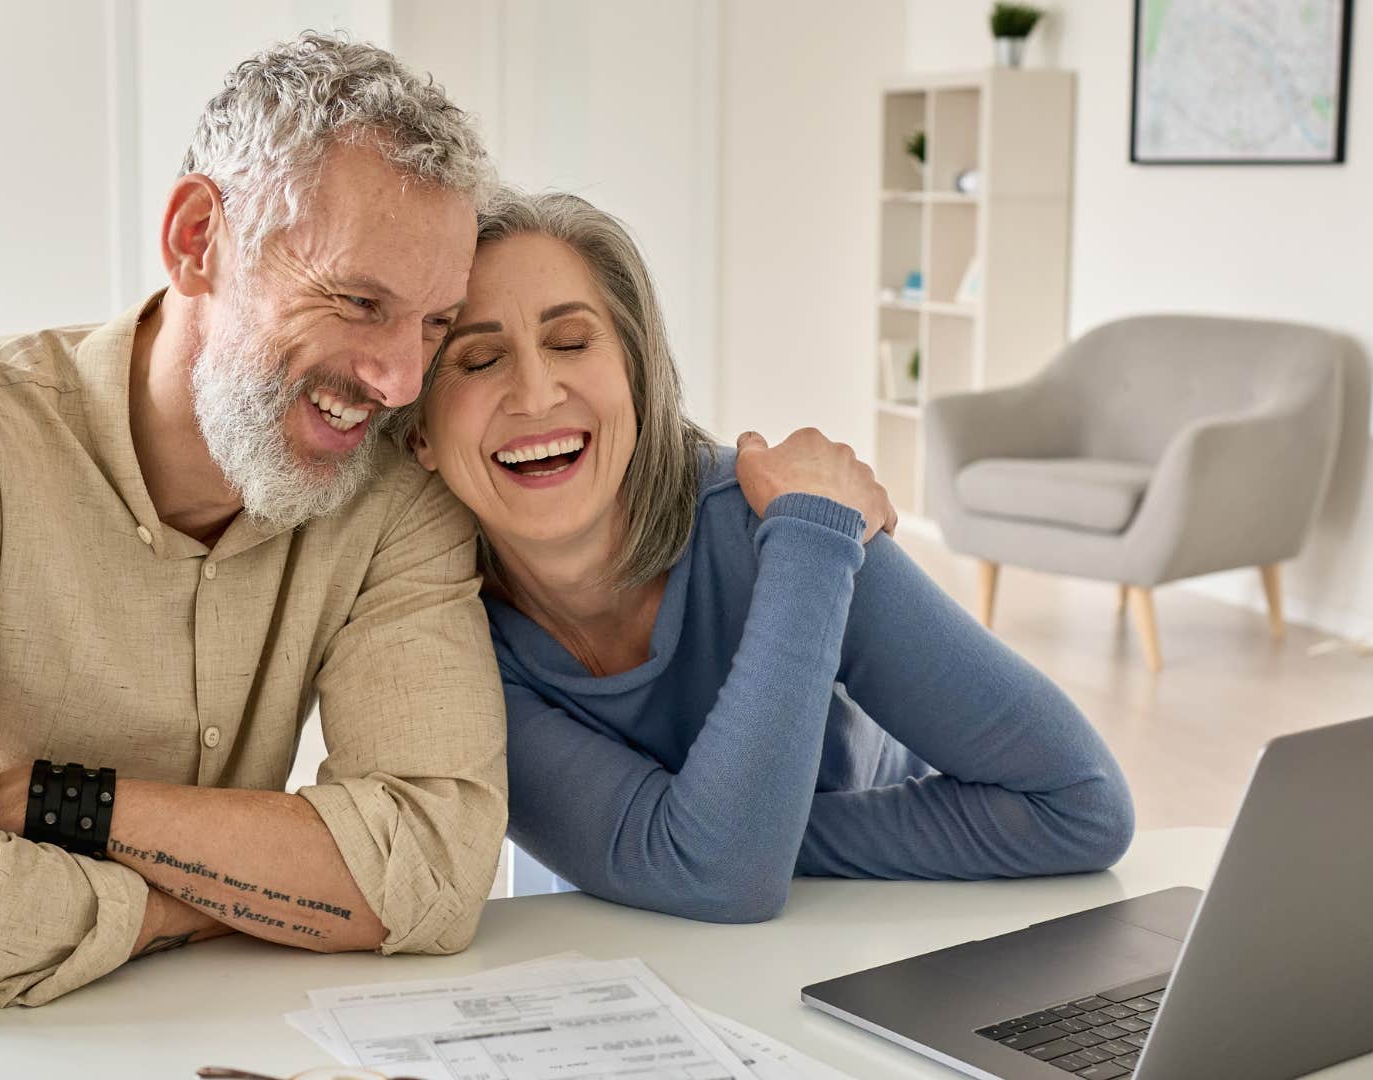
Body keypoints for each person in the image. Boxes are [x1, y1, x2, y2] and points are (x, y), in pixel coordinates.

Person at [0, 34, 509, 1018]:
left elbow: (434, 869)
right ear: (198, 238)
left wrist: (65, 805)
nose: (400, 380)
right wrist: (231, 897)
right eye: (357, 301)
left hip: (175, 1032)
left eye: (432, 322)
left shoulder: (395, 498)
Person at [403, 190, 1136, 923]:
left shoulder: (791, 526)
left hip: (870, 935)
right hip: (634, 963)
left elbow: (1082, 804)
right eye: (478, 359)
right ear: (419, 436)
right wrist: (717, 843)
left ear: (637, 375)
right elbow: (717, 872)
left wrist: (723, 838)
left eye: (570, 342)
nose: (535, 392)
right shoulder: (443, 642)